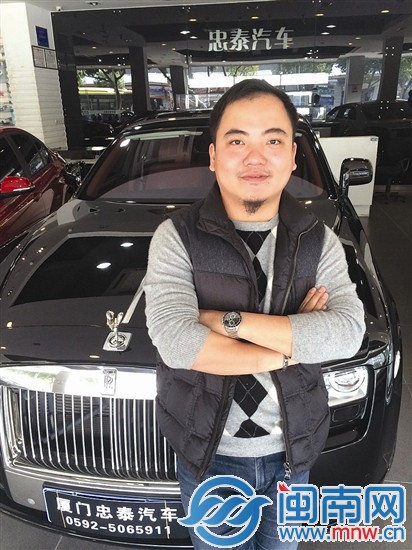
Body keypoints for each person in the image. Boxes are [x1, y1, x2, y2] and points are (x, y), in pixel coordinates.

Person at [144, 79, 365, 549]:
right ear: (213, 156)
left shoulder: (318, 239)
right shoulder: (176, 237)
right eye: (237, 141)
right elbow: (178, 344)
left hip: (293, 453)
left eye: (273, 141)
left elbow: (347, 334)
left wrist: (227, 322)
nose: (255, 157)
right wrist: (293, 345)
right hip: (210, 455)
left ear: (292, 156)